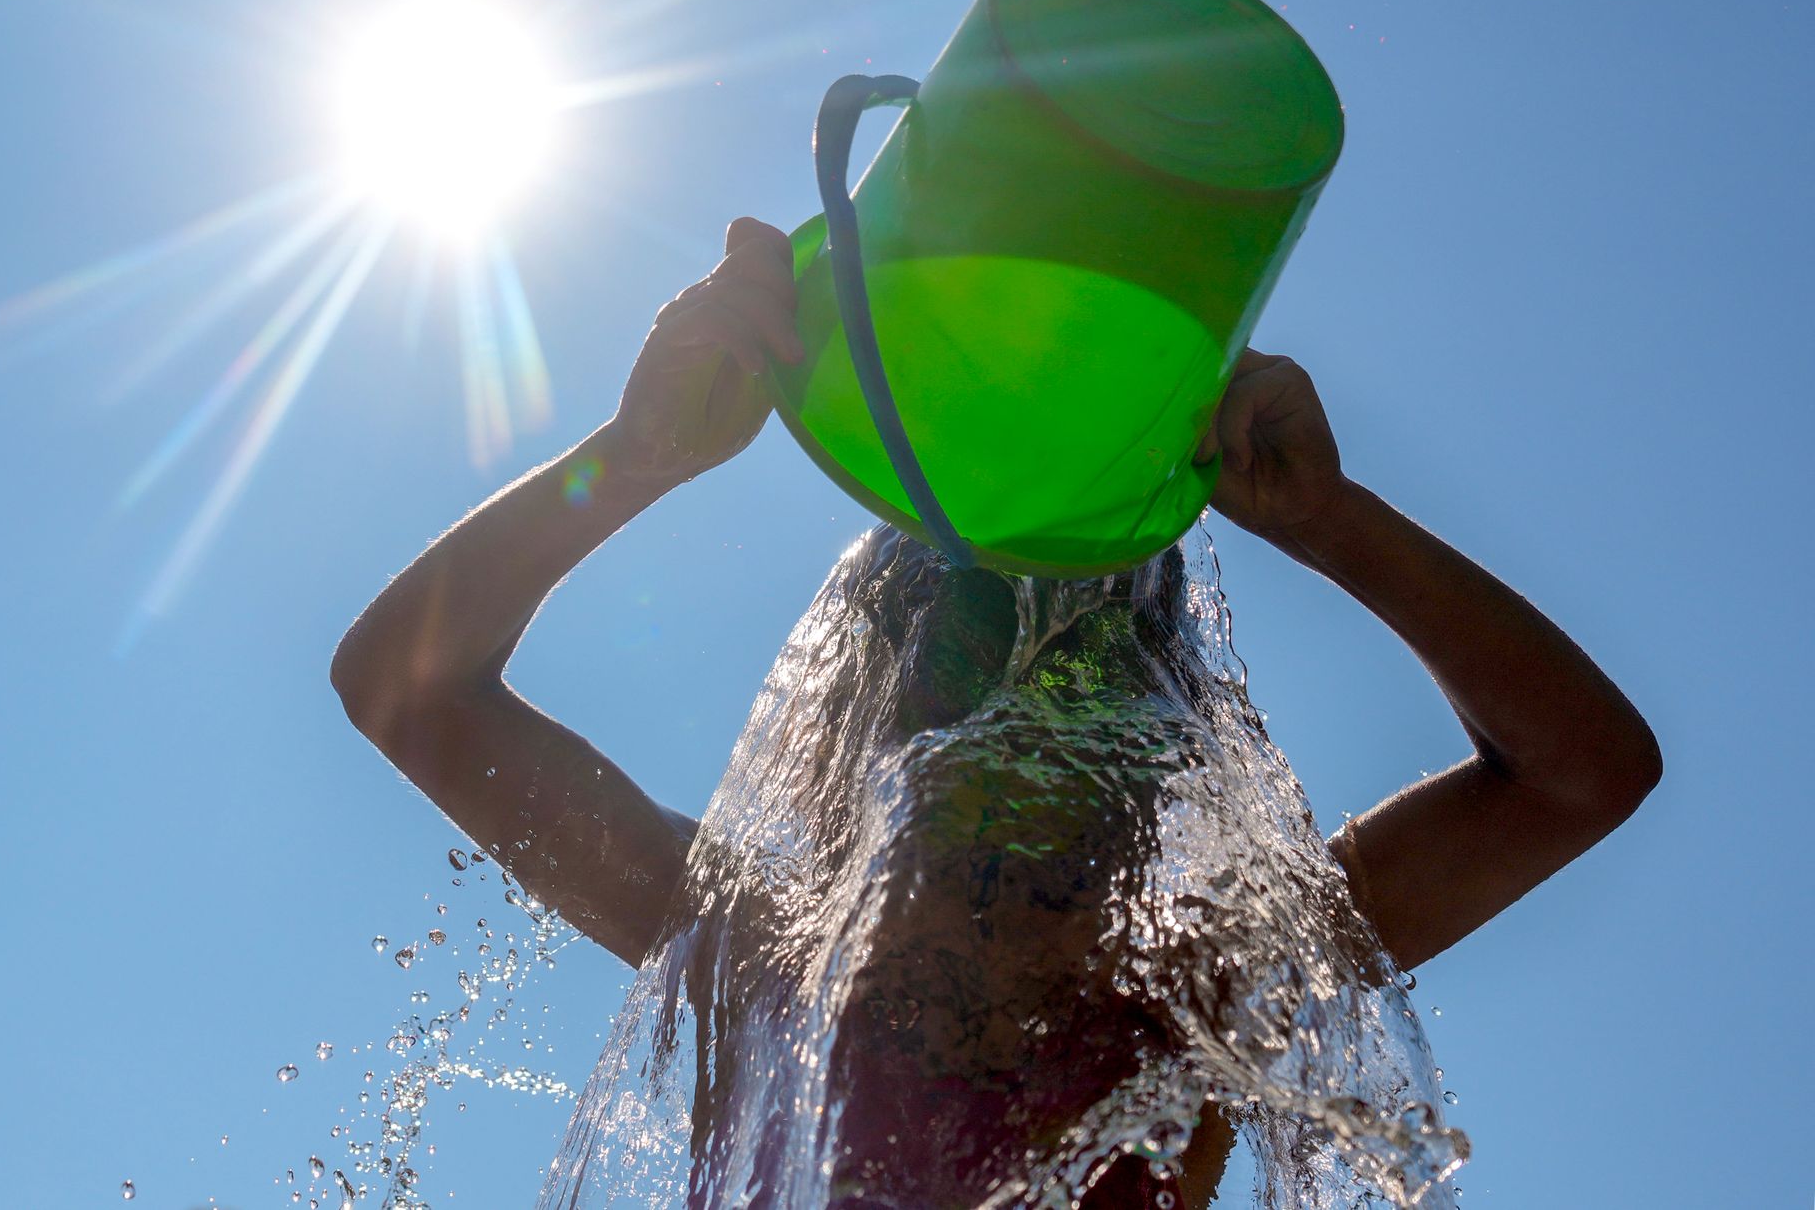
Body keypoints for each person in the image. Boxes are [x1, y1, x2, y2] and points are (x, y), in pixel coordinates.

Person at [330, 218, 1661, 1207]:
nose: (1030, 701)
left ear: (1174, 735)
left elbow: (1582, 772)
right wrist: (633, 454)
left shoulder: (1217, 968)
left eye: (1099, 655)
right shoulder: (757, 943)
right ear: (860, 722)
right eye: (972, 655)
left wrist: (1334, 522)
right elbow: (405, 686)